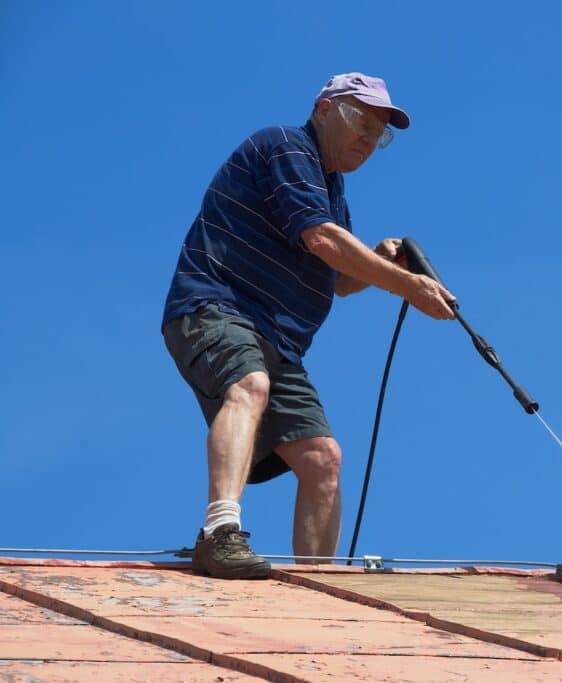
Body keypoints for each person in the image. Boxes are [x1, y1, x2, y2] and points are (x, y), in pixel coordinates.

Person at [161, 73, 455, 579]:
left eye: (379, 133)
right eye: (361, 121)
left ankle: (320, 583)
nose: (368, 138)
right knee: (248, 385)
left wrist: (378, 261)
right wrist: (408, 287)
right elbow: (321, 238)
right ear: (324, 109)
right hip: (218, 307)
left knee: (323, 458)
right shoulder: (287, 146)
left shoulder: (330, 189)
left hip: (278, 342)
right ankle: (219, 533)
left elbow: (337, 279)